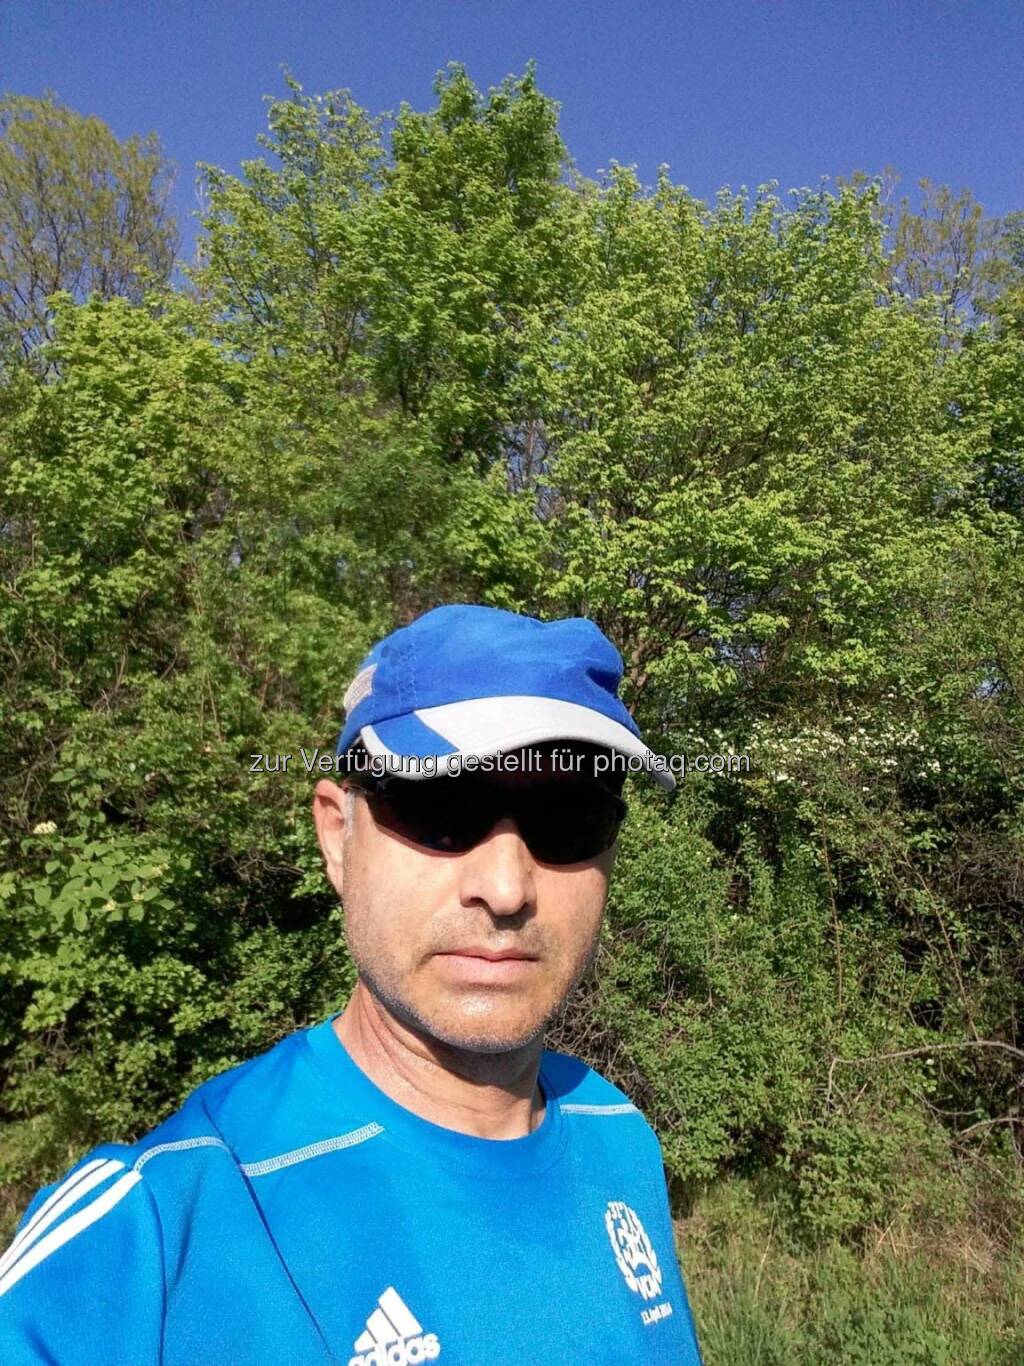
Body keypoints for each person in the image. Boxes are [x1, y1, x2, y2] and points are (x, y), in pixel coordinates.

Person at [0, 604, 704, 1365]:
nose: (506, 888)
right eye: (443, 807)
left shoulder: (617, 1133)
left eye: (570, 817)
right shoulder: (157, 1230)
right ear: (337, 836)